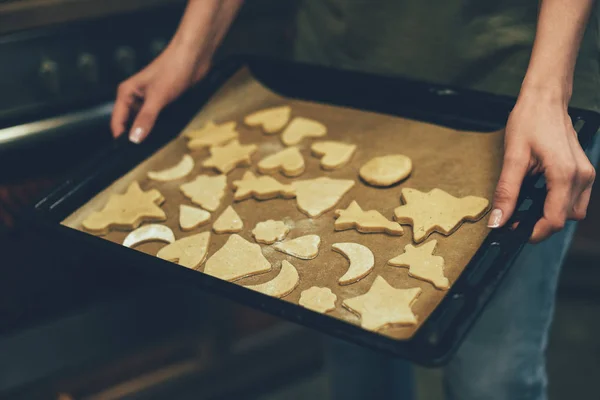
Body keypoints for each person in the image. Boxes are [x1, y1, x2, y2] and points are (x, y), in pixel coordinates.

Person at [111, 1, 600, 399]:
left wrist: (546, 90)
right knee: (357, 361)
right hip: (340, 71)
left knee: (494, 379)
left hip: (513, 76)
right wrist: (189, 48)